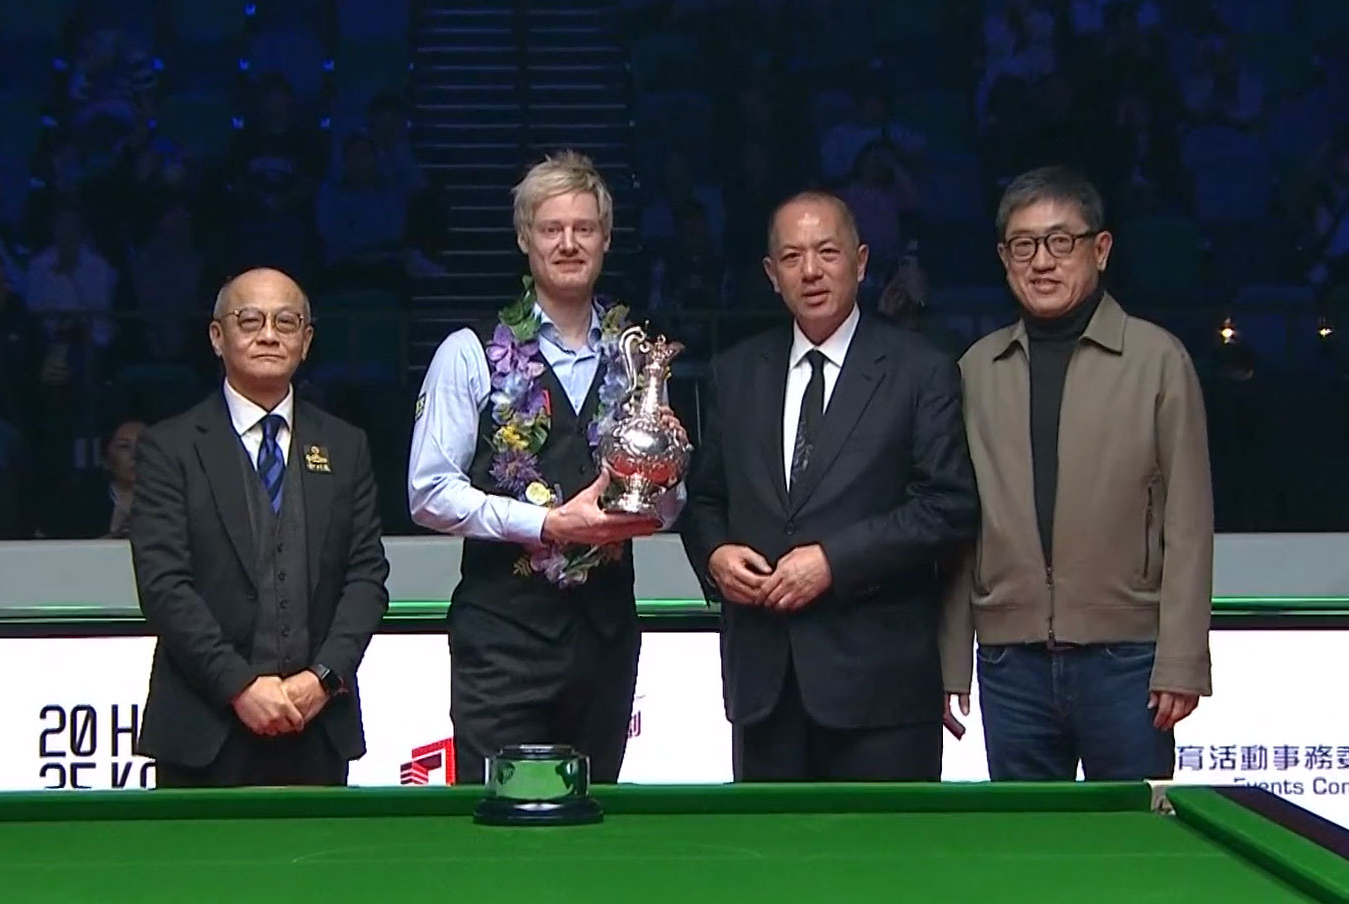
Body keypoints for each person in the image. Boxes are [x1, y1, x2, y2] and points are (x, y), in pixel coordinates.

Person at [679, 190, 979, 781]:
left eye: (827, 252)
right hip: (765, 687)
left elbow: (948, 507)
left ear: (861, 262)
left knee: (882, 844)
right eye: (792, 257)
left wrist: (833, 563)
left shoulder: (920, 369)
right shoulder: (734, 373)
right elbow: (705, 499)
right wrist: (714, 554)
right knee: (769, 844)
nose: (810, 271)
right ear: (772, 275)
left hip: (883, 691)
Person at [408, 150, 687, 784]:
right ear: (524, 239)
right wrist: (546, 524)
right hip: (502, 641)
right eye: (551, 229)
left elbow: (666, 509)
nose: (568, 243)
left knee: (596, 817)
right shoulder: (468, 352)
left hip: (607, 639)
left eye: (584, 228)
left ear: (606, 239)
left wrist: (668, 479)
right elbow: (428, 493)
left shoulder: (638, 360)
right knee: (501, 823)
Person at [940, 165, 1213, 781]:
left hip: (1128, 661)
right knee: (1032, 838)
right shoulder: (977, 369)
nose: (1042, 261)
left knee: (1131, 837)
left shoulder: (1156, 359)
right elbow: (958, 525)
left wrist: (1181, 660)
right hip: (1010, 664)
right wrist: (954, 660)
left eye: (1061, 241)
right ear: (1004, 259)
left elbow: (1189, 522)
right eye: (1024, 245)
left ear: (1101, 249)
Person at [128, 267, 390, 787]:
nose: (269, 334)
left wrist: (323, 679)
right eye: (250, 320)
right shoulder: (169, 448)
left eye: (285, 322)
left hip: (316, 726)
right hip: (203, 732)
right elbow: (164, 587)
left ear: (306, 340)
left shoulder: (345, 446)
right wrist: (240, 687)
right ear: (217, 336)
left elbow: (367, 579)